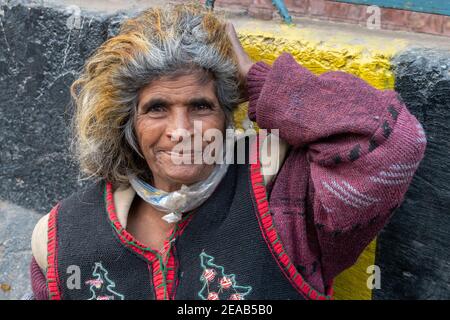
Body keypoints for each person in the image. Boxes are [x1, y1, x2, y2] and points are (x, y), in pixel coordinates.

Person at [29, 3, 426, 300]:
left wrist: (256, 77)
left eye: (201, 106)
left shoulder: (284, 199)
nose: (181, 132)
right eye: (156, 109)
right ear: (128, 123)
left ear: (226, 116)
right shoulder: (62, 239)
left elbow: (394, 143)